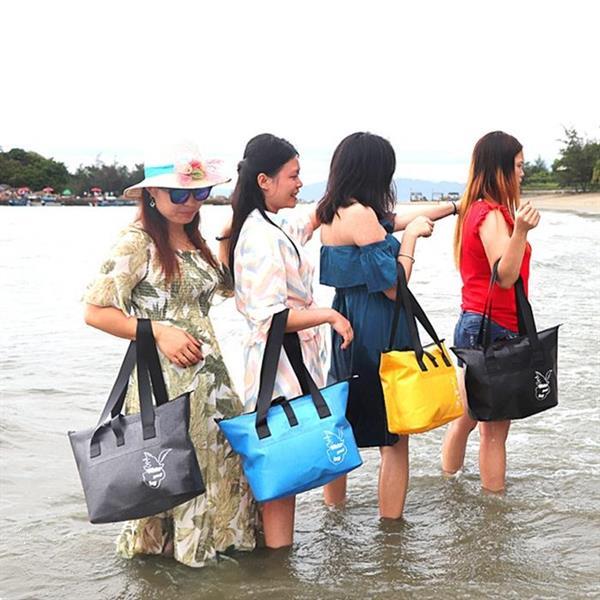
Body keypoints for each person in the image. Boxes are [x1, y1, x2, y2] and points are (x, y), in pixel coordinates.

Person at [83, 150, 256, 567]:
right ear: (153, 194)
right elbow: (95, 311)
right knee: (177, 466)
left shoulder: (191, 235)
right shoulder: (136, 241)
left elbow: (224, 290)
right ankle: (177, 564)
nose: (192, 203)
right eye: (181, 194)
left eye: (201, 193)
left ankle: (221, 557)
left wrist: (228, 235)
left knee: (221, 463)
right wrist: (158, 331)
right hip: (164, 379)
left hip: (210, 379)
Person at [317, 131, 458, 519]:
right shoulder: (362, 215)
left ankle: (335, 517)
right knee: (394, 437)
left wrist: (451, 207)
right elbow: (397, 286)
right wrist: (412, 239)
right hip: (377, 327)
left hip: (347, 324)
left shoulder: (334, 211)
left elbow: (391, 222)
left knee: (341, 425)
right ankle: (391, 529)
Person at [227, 133, 354, 548]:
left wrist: (341, 188)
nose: (300, 183)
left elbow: (305, 222)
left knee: (287, 470)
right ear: (265, 180)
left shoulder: (271, 223)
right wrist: (329, 314)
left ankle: (278, 571)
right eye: (294, 175)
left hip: (287, 363)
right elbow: (271, 318)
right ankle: (279, 569)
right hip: (276, 368)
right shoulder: (260, 235)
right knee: (282, 476)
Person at [441, 130, 540, 492]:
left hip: (474, 323)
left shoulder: (473, 211)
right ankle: (494, 515)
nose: (522, 174)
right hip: (494, 326)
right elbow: (505, 275)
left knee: (467, 416)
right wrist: (523, 232)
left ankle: (450, 485)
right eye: (518, 166)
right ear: (500, 170)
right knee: (494, 433)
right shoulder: (492, 215)